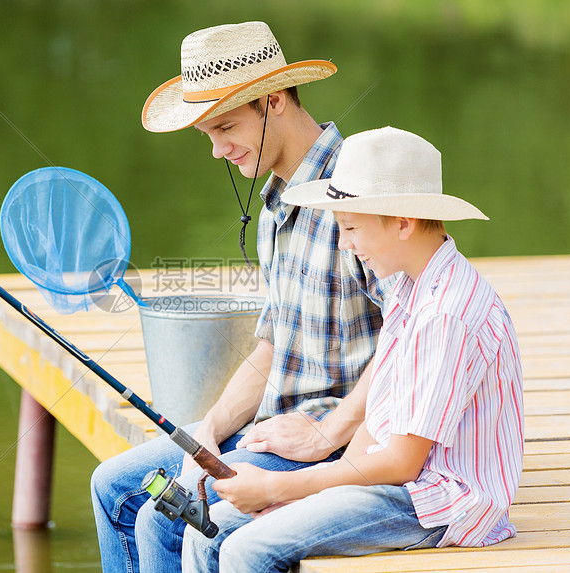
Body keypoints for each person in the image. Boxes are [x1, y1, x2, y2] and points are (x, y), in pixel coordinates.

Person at [91, 22, 392, 572]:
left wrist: (329, 432)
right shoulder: (274, 206)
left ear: (273, 101)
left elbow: (411, 337)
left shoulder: (357, 191)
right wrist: (205, 433)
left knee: (162, 515)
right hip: (270, 427)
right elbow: (273, 347)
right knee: (111, 485)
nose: (216, 150)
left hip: (335, 443)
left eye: (225, 127)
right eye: (206, 134)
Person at [181, 126, 525, 572]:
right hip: (396, 485)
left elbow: (403, 462)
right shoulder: (406, 286)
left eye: (349, 227)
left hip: (437, 501)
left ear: (403, 222)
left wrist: (280, 487)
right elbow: (377, 422)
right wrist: (312, 495)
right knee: (208, 528)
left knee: (248, 549)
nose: (344, 244)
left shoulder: (446, 313)